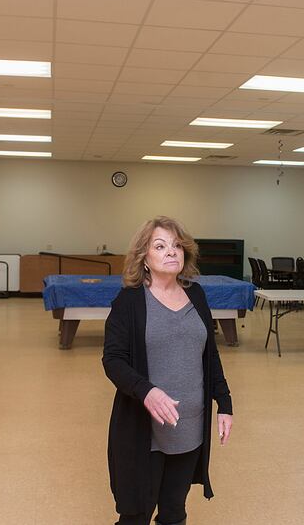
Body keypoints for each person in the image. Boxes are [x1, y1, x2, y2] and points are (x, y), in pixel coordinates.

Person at [102, 216, 234, 525]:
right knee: (135, 516)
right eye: (160, 246)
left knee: (174, 511)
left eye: (176, 245)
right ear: (144, 257)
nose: (171, 252)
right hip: (144, 430)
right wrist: (147, 392)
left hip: (189, 427)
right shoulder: (129, 300)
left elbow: (210, 355)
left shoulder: (196, 294)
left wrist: (224, 403)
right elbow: (113, 360)